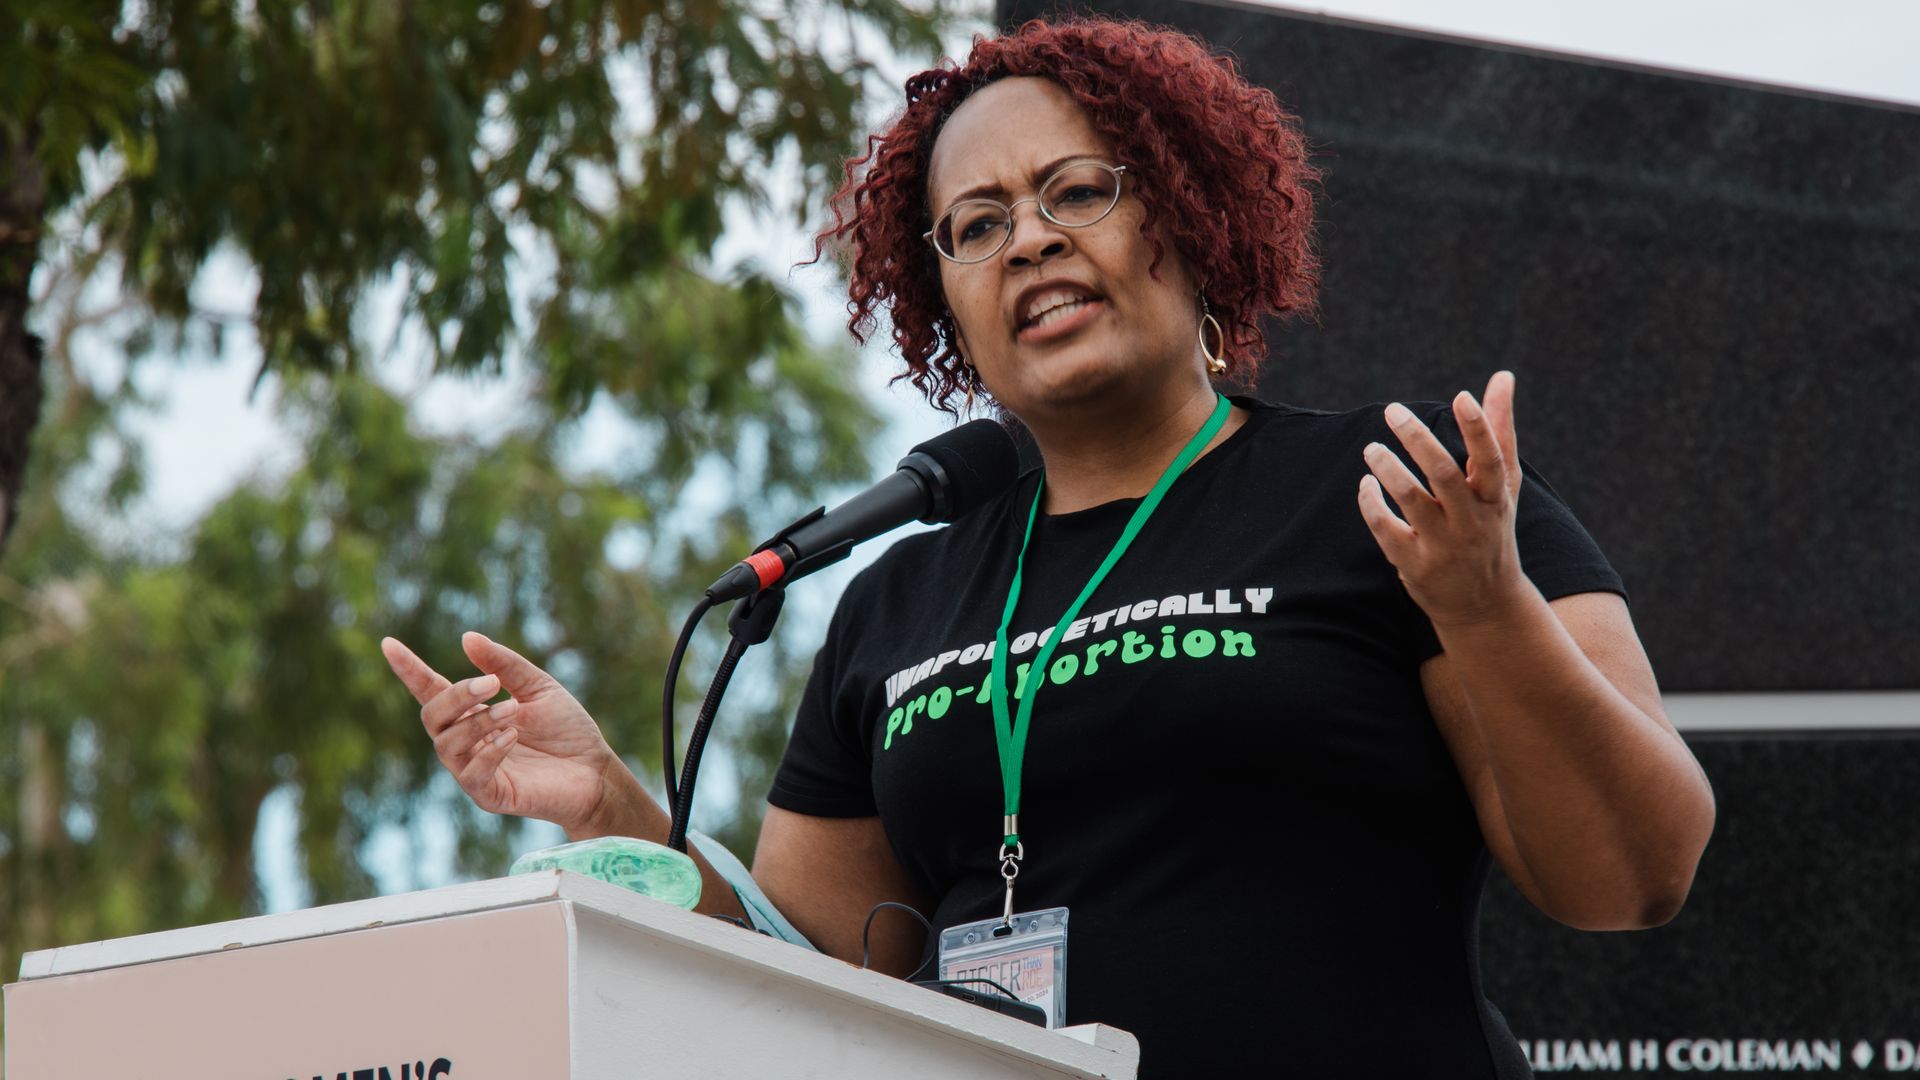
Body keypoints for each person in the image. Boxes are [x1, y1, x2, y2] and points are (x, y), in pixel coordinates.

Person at [381, 16, 1714, 1076]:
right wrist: (617, 812)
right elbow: (807, 993)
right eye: (978, 224)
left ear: (1187, 217)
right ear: (943, 300)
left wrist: (1484, 607)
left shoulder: (1404, 488)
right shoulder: (898, 599)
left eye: (1078, 189)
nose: (1031, 237)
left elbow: (1634, 877)